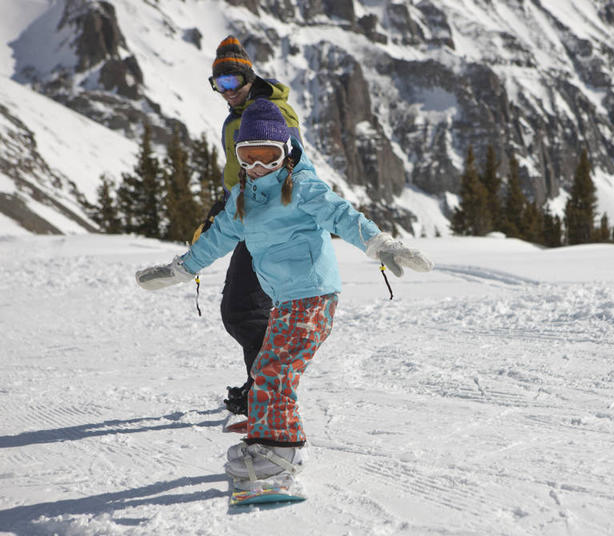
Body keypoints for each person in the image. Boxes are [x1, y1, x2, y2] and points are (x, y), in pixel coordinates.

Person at [135, 99, 433, 490]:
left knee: (274, 372)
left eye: (268, 156)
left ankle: (283, 451)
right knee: (267, 370)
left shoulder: (303, 187)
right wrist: (181, 269)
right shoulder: (242, 199)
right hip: (286, 300)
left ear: (286, 153)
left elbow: (342, 215)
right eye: (248, 156)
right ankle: (268, 442)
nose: (258, 166)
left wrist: (380, 244)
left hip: (312, 295)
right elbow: (215, 239)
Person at [197, 35, 303, 416]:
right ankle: (261, 384)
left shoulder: (269, 112)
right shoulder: (237, 116)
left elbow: (293, 162)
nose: (226, 90)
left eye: (232, 80)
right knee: (247, 309)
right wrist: (221, 208)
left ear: (248, 76)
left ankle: (268, 389)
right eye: (218, 83)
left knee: (242, 310)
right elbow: (238, 173)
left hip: (270, 222)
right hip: (247, 215)